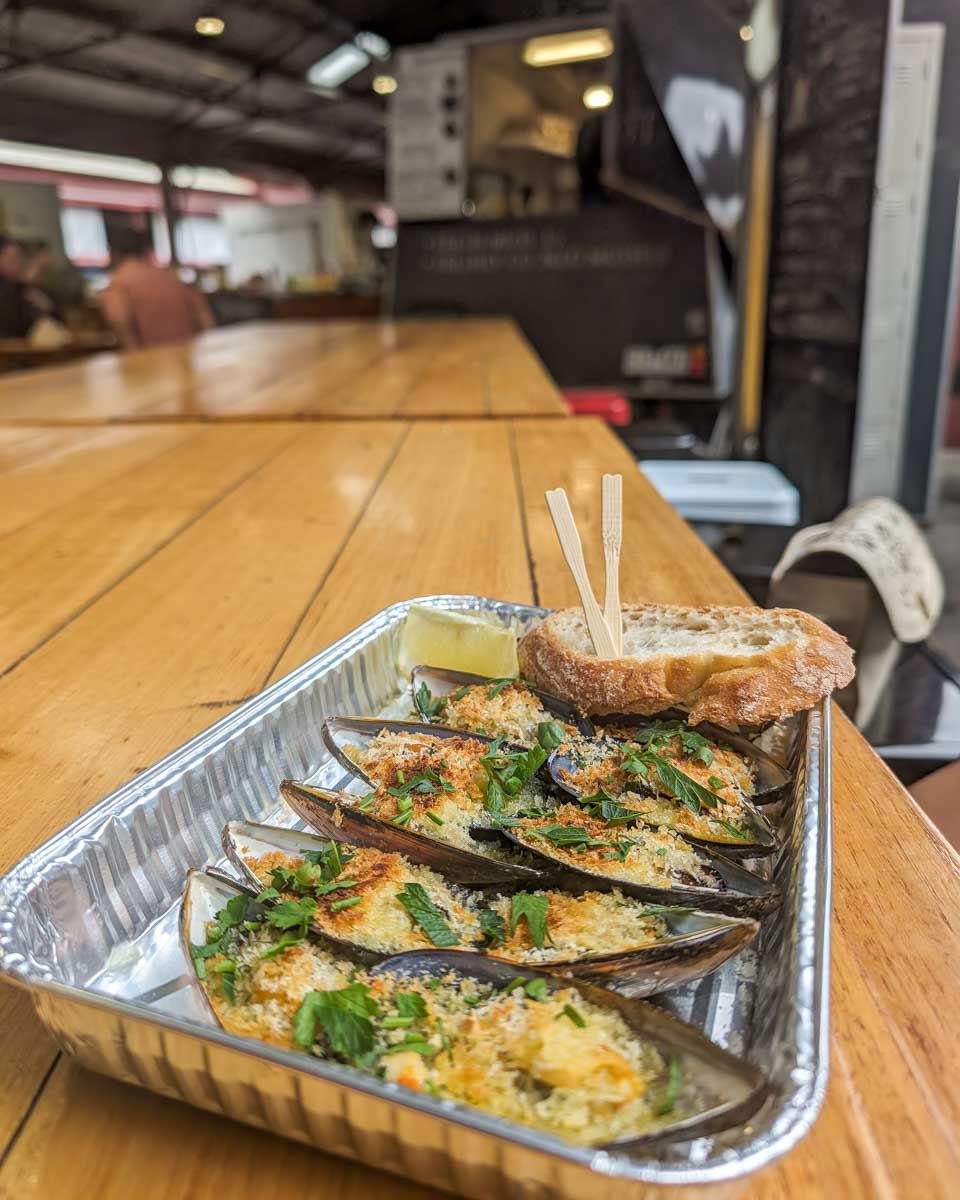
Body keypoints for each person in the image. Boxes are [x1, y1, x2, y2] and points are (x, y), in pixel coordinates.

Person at [100, 227, 214, 348]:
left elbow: (120, 324)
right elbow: (205, 320)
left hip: (151, 357)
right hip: (188, 354)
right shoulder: (172, 278)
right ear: (146, 251)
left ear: (113, 254)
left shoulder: (118, 285)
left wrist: (136, 355)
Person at [0, 235, 42, 338]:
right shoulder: (15, 288)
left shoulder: (25, 288)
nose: (19, 263)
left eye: (20, 257)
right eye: (12, 259)